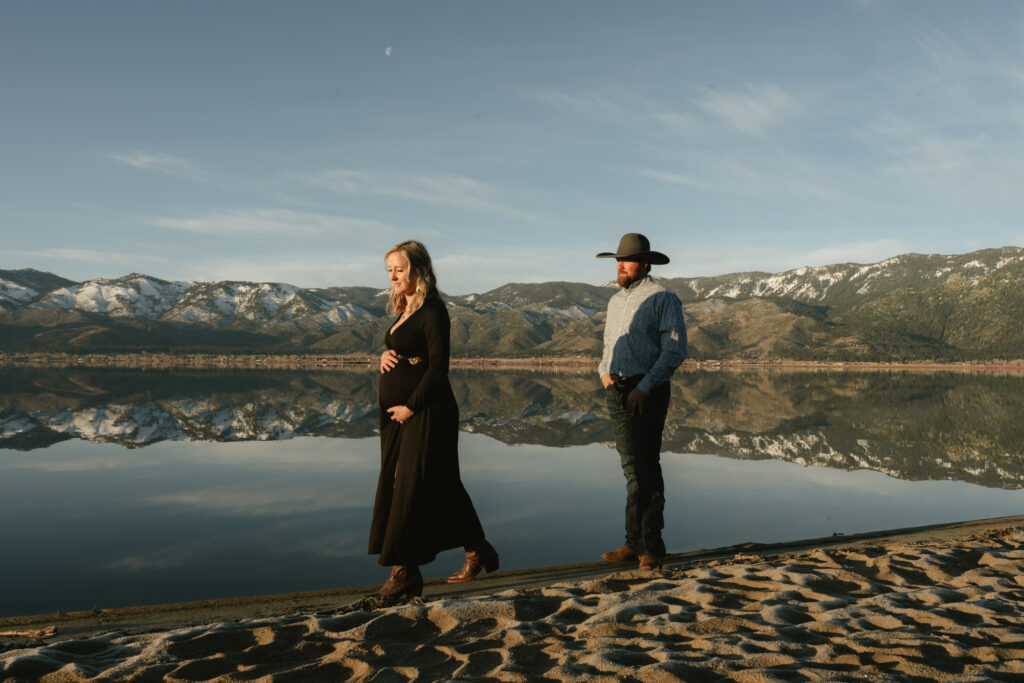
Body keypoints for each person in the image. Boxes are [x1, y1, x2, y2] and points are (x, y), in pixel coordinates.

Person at [368, 240, 499, 599]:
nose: (393, 276)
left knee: (406, 484)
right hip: (398, 415)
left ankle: (404, 573)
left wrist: (411, 405)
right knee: (440, 482)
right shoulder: (405, 308)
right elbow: (407, 351)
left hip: (428, 410)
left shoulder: (433, 310)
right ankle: (478, 549)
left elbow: (438, 368)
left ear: (418, 270)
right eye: (389, 270)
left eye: (399, 269)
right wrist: (385, 354)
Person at [596, 233, 687, 572]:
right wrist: (603, 373)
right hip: (616, 390)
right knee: (630, 469)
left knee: (647, 467)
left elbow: (675, 350)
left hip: (645, 391)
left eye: (627, 259)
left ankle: (652, 546)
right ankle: (633, 542)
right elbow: (609, 345)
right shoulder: (615, 301)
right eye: (618, 260)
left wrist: (644, 388)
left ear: (645, 264)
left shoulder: (663, 298)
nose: (620, 265)